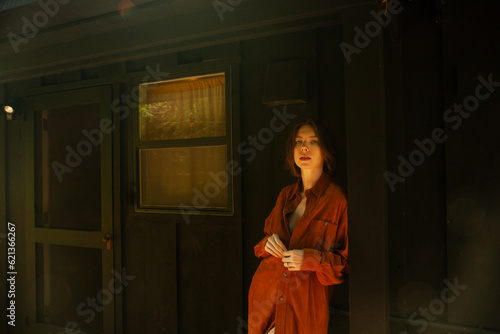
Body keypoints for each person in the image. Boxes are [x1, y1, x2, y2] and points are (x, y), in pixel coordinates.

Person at [248, 119, 348, 334]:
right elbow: (261, 248)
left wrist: (310, 259)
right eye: (298, 142)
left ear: (326, 151)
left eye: (313, 142)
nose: (304, 147)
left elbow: (343, 265)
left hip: (303, 305)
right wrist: (268, 243)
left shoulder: (337, 200)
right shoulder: (286, 195)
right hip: (265, 299)